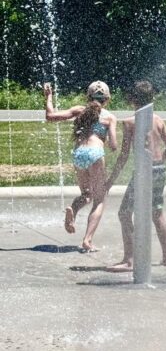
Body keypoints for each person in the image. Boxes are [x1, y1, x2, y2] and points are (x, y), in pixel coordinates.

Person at [105, 80, 166, 271]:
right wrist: (158, 163)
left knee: (125, 213)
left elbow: (124, 155)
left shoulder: (130, 122)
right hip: (159, 169)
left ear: (131, 99)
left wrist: (110, 181)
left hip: (144, 172)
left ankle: (129, 259)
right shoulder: (158, 120)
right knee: (157, 213)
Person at [44, 81, 117, 252]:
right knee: (99, 199)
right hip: (95, 154)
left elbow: (50, 116)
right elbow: (114, 145)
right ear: (108, 99)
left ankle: (73, 210)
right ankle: (87, 240)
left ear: (87, 96)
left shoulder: (79, 110)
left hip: (79, 154)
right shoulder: (109, 117)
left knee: (86, 194)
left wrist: (48, 96)